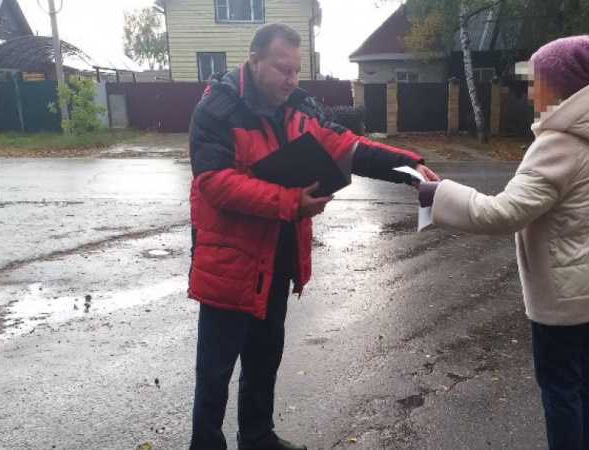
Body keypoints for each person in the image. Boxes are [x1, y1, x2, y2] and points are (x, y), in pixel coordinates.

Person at [187, 23, 439, 450]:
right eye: (283, 70)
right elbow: (214, 183)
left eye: (297, 71)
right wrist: (289, 202)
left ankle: (257, 436)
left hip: (278, 257)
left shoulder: (298, 110)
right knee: (215, 368)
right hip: (230, 262)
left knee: (264, 358)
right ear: (254, 61)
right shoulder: (216, 110)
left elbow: (350, 147)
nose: (292, 80)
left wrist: (410, 167)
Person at [417, 35, 589, 450]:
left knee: (561, 391)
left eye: (538, 80)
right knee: (584, 380)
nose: (531, 90)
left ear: (560, 87)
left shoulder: (558, 144)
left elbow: (503, 213)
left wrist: (436, 195)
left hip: (564, 299)